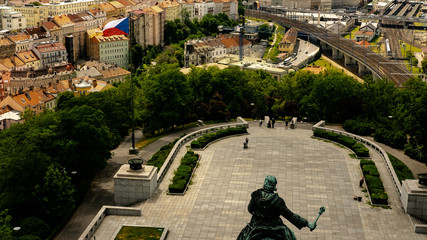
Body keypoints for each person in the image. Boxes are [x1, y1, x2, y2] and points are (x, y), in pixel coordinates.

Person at [237, 176, 316, 240]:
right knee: (291, 235)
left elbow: (250, 209)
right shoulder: (278, 201)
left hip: (256, 225)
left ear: (265, 183)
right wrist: (307, 223)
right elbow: (290, 216)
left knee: (242, 236)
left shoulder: (255, 196)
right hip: (275, 228)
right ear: (274, 186)